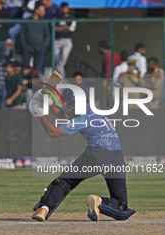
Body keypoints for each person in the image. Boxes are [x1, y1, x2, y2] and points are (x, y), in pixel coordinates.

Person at [28, 86, 136, 222]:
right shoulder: (95, 110)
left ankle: (43, 208)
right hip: (117, 156)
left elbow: (52, 132)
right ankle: (99, 202)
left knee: (65, 181)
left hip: (97, 153)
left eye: (69, 104)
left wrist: (40, 114)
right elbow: (64, 114)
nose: (67, 107)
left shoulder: (81, 119)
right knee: (121, 206)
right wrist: (49, 104)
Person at [20, 2, 50, 73]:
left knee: (37, 69)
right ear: (36, 11)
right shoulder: (26, 21)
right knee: (25, 67)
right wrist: (25, 46)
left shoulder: (44, 22)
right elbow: (22, 34)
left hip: (39, 48)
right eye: (42, 10)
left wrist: (43, 46)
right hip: (28, 48)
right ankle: (26, 82)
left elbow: (47, 35)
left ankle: (35, 83)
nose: (44, 13)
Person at [54, 2, 76, 77]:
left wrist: (60, 29)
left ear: (68, 9)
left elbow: (71, 29)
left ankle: (58, 79)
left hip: (67, 40)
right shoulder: (56, 18)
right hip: (57, 40)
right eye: (63, 8)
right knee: (57, 59)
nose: (64, 10)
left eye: (66, 8)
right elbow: (54, 28)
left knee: (63, 57)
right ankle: (62, 79)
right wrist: (64, 28)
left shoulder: (71, 18)